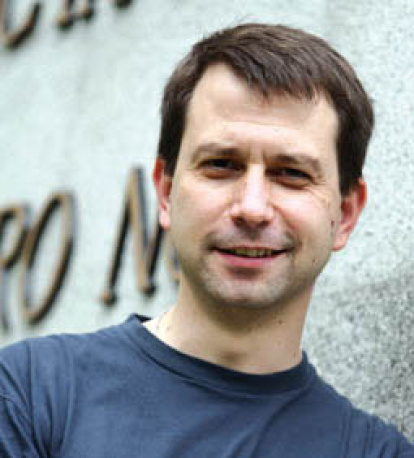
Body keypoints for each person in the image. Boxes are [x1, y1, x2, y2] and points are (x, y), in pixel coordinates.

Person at [0, 23, 413, 457]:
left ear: (345, 214)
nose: (252, 208)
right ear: (166, 192)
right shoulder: (28, 395)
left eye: (291, 173)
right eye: (221, 164)